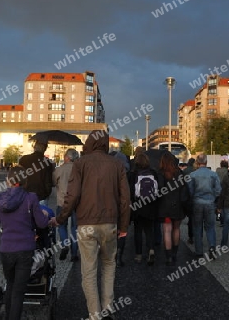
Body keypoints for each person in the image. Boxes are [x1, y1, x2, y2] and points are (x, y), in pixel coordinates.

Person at [52, 130, 130, 319]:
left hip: (86, 223)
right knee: (109, 264)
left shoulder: (80, 163)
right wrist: (124, 227)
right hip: (110, 223)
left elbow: (73, 196)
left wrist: (61, 218)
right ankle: (108, 308)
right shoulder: (117, 165)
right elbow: (125, 198)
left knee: (88, 270)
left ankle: (94, 314)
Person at [0, 166, 50, 320]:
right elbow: (41, 223)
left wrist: (2, 216)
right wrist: (46, 217)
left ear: (8, 181)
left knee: (10, 285)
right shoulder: (31, 198)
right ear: (25, 181)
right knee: (19, 290)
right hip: (25, 249)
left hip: (6, 249)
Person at [156, 151, 189, 266]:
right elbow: (185, 191)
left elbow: (159, 191)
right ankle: (175, 254)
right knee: (176, 229)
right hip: (178, 206)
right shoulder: (180, 173)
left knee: (166, 231)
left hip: (165, 208)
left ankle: (168, 256)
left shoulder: (160, 174)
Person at [188, 153, 221, 259]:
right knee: (210, 227)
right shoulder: (213, 174)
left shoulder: (193, 175)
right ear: (206, 162)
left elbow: (190, 191)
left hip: (197, 203)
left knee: (197, 227)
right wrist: (213, 198)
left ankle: (199, 251)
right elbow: (218, 190)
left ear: (197, 163)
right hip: (210, 203)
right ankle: (212, 247)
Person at [130, 153, 158, 265]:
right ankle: (151, 250)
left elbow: (131, 191)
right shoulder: (153, 173)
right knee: (149, 230)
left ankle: (138, 255)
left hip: (138, 206)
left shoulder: (133, 174)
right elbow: (158, 189)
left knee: (138, 231)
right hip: (150, 205)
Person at [52, 148, 80, 261]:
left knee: (61, 225)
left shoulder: (60, 169)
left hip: (62, 202)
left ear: (67, 157)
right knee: (75, 228)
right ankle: (74, 254)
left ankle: (64, 245)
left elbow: (54, 182)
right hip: (76, 203)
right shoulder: (79, 170)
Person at [19, 141, 54, 207]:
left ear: (34, 148)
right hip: (41, 196)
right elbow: (48, 181)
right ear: (45, 149)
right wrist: (46, 193)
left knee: (26, 216)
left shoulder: (24, 159)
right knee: (41, 216)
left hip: (25, 195)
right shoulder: (47, 162)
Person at [183, 158, 196, 244]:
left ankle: (190, 236)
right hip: (196, 196)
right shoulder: (196, 171)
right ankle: (198, 236)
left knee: (191, 218)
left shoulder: (185, 171)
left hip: (188, 197)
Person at [215, 160, 229, 227]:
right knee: (225, 207)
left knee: (218, 207)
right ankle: (226, 220)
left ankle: (219, 218)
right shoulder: (228, 171)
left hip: (218, 191)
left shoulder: (217, 170)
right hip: (225, 191)